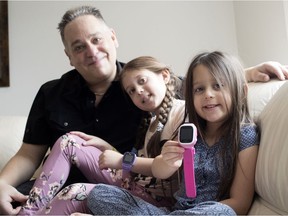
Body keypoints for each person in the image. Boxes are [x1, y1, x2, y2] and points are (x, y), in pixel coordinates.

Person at [0, 5, 287, 215]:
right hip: (67, 188)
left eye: (96, 39)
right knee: (67, 146)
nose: (91, 50)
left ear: (113, 37)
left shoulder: (149, 85)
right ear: (68, 56)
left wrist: (245, 73)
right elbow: (28, 153)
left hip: (142, 191)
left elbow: (201, 86)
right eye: (78, 46)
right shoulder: (53, 92)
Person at [86, 51, 259, 215]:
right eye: (199, 89)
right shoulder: (189, 129)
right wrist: (169, 160)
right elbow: (158, 169)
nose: (208, 94)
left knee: (222, 212)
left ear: (242, 92)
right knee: (100, 194)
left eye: (218, 86)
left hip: (209, 212)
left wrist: (123, 160)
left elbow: (240, 204)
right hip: (173, 211)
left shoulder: (245, 135)